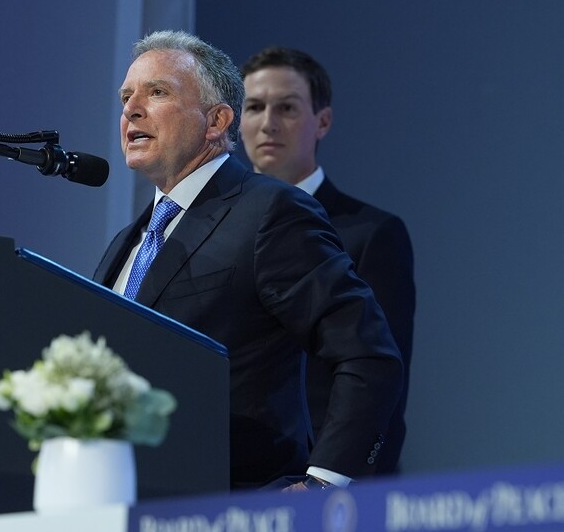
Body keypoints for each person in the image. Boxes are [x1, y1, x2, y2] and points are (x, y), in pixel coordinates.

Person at [93, 30, 402, 491]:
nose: (132, 110)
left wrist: (324, 486)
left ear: (216, 121)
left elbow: (368, 354)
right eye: (126, 97)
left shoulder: (270, 211)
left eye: (157, 93)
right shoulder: (126, 242)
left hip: (237, 502)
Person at [239, 46, 415, 474]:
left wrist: (335, 486)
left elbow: (381, 382)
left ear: (323, 121)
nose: (268, 123)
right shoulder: (221, 233)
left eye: (287, 108)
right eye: (254, 107)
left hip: (322, 484)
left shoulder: (371, 233)